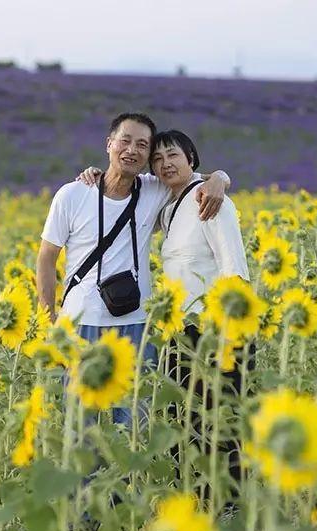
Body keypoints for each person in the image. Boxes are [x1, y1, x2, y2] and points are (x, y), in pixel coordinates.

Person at [79, 129, 252, 509]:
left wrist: (219, 179)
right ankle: (196, 503)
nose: (165, 164)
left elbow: (234, 270)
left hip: (217, 329)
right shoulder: (168, 207)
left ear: (192, 158)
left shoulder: (212, 201)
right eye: (157, 160)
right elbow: (121, 191)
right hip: (180, 332)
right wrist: (94, 175)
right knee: (185, 422)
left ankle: (229, 511)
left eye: (172, 155)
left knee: (222, 422)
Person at [36, 113, 231, 428]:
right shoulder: (72, 194)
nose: (132, 150)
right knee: (81, 428)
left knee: (134, 427)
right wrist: (47, 317)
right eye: (125, 140)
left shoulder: (154, 189)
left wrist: (220, 178)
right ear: (109, 144)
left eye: (143, 145)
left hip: (137, 325)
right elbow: (46, 257)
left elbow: (193, 176)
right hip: (80, 324)